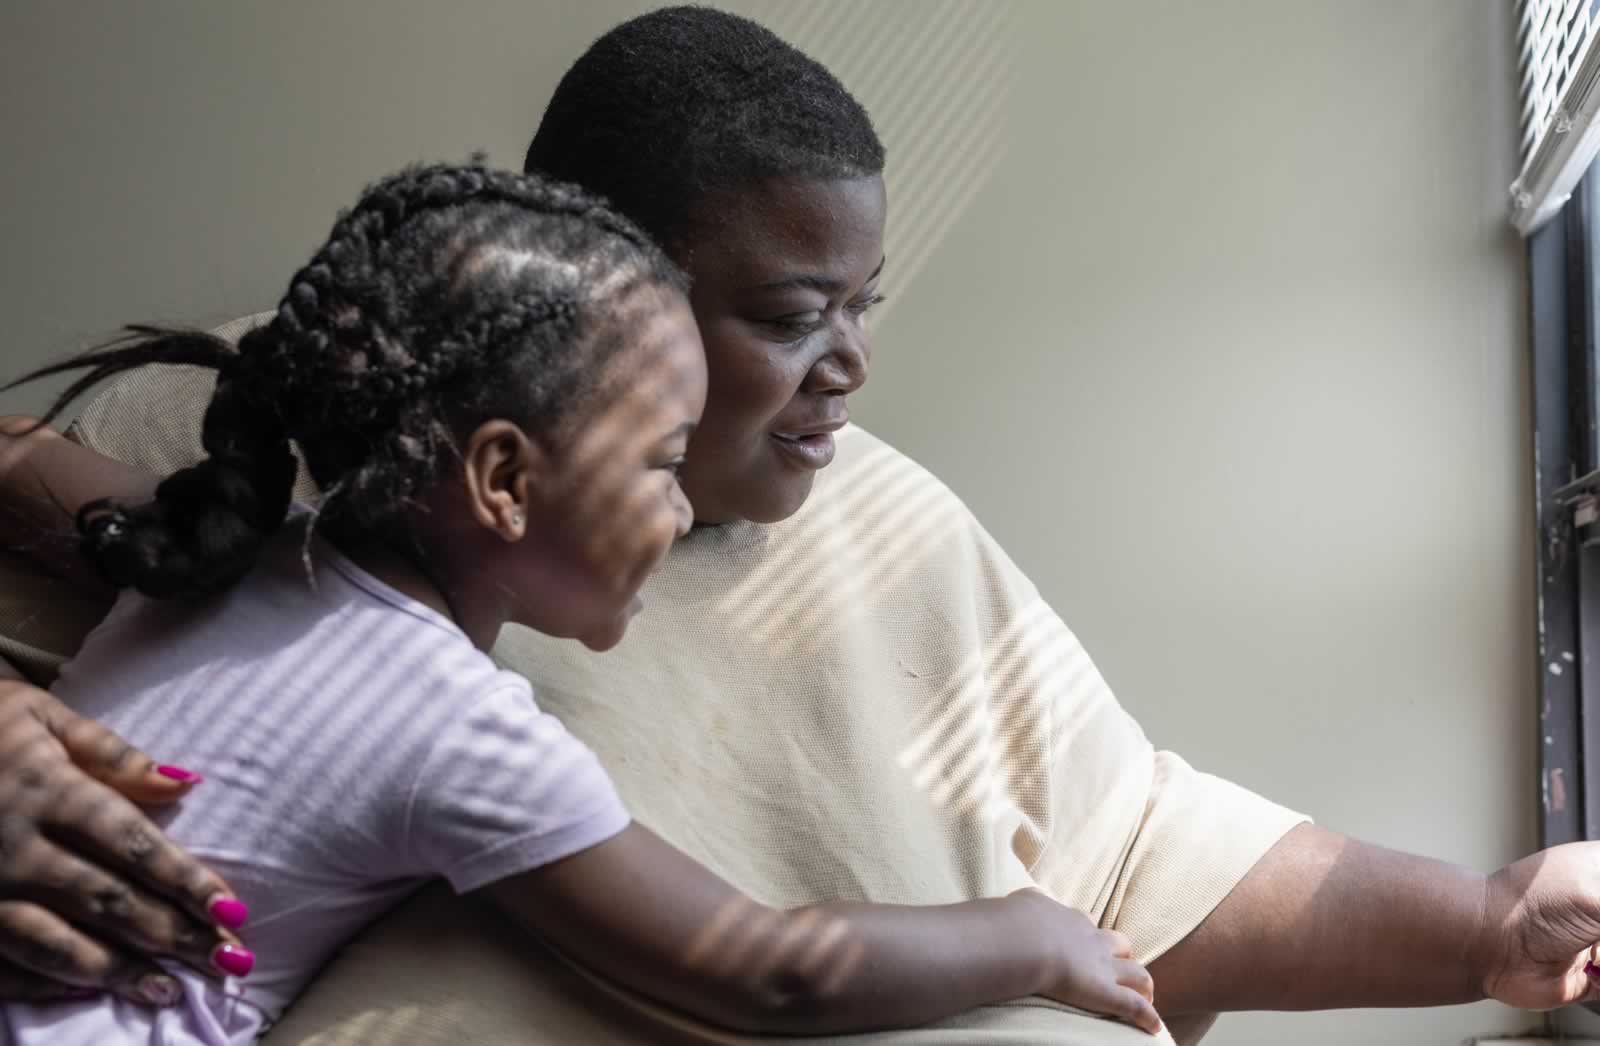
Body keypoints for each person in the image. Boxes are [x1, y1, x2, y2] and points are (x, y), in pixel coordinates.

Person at [0, 8, 1597, 1046]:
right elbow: (762, 963)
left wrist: (1492, 919)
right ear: (601, 287)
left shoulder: (890, 525)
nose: (850, 363)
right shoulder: (253, 455)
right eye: (784, 311)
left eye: (863, 305)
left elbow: (1139, 843)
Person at [0, 161, 1170, 1044]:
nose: (679, 512)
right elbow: (763, 964)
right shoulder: (451, 725)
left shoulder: (216, 539)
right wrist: (1032, 935)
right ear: (506, 481)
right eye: (662, 465)